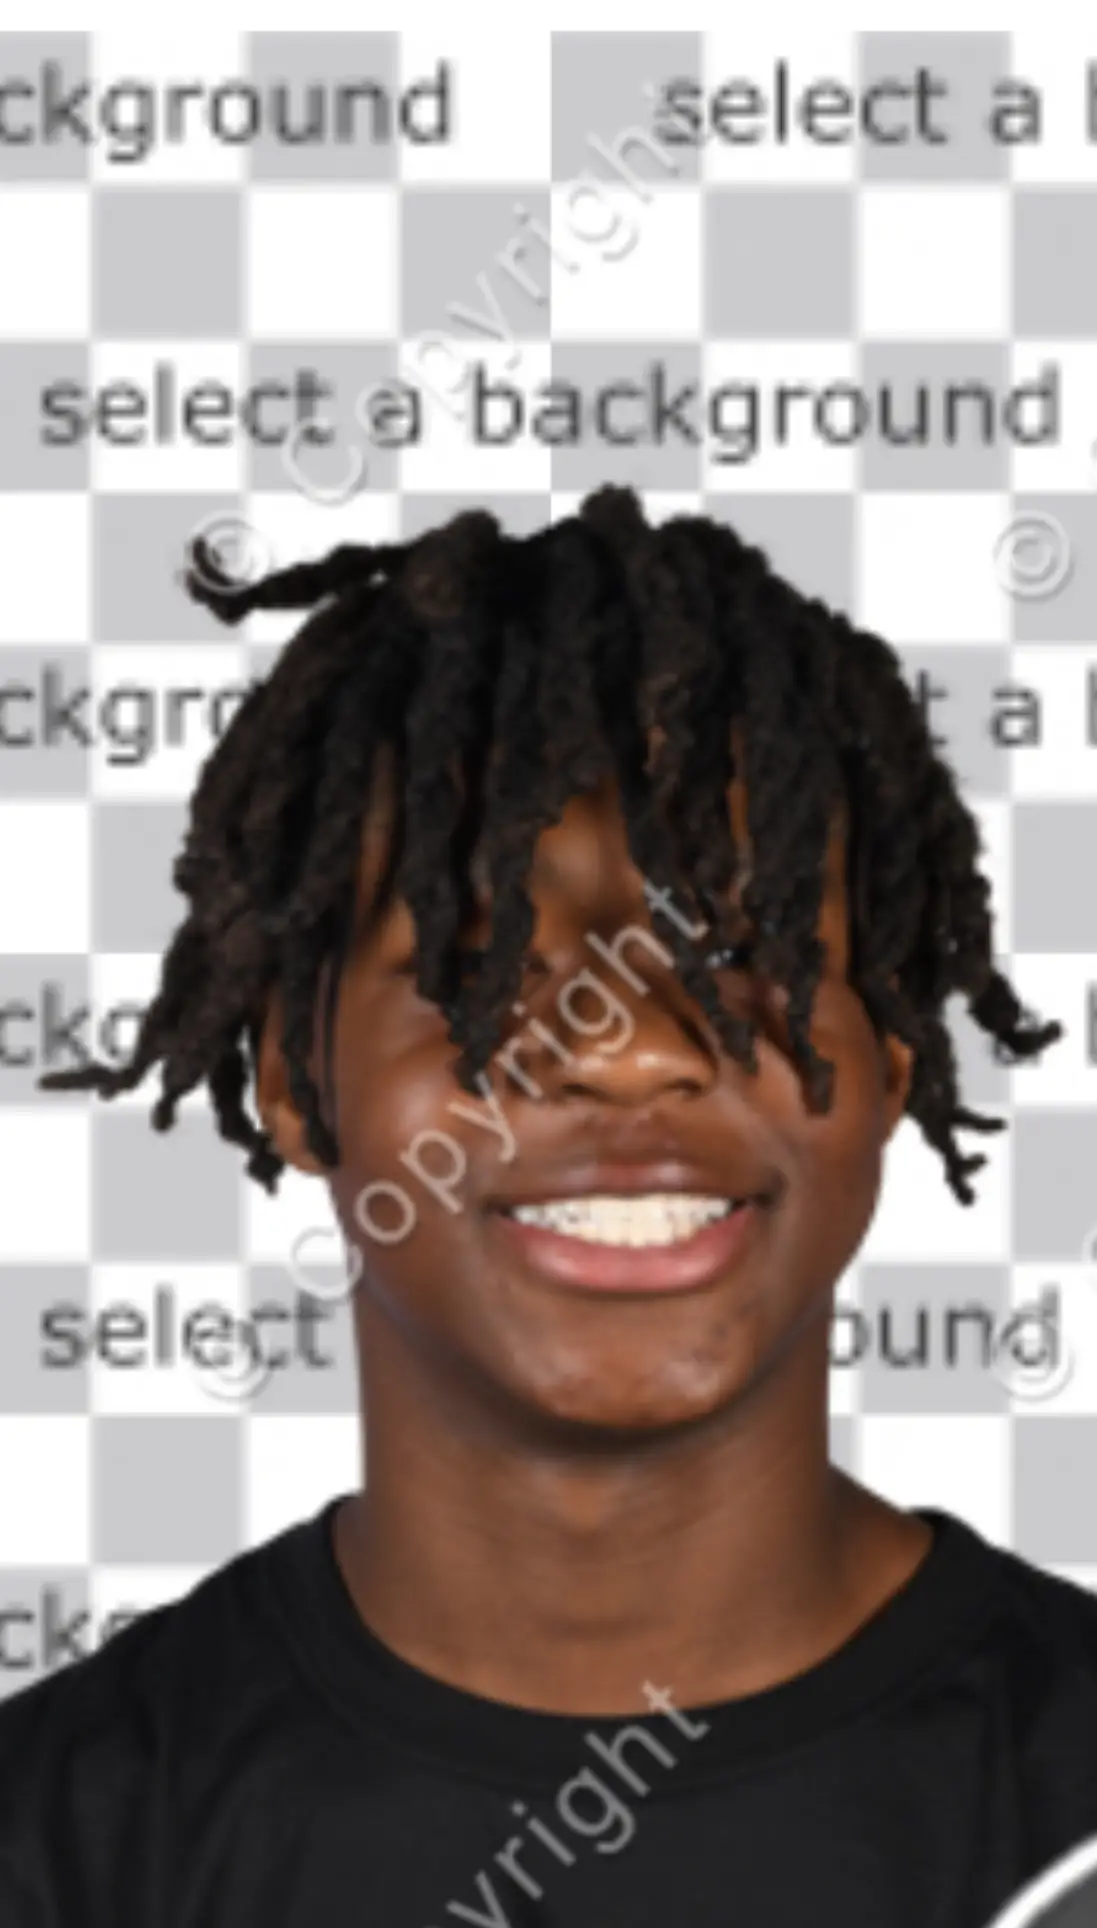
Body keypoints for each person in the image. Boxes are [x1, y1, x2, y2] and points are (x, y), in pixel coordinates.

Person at [1, 485, 1093, 1927]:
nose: (627, 1044)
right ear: (294, 1082)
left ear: (891, 1058)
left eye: (745, 944)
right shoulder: (59, 1839)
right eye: (477, 956)